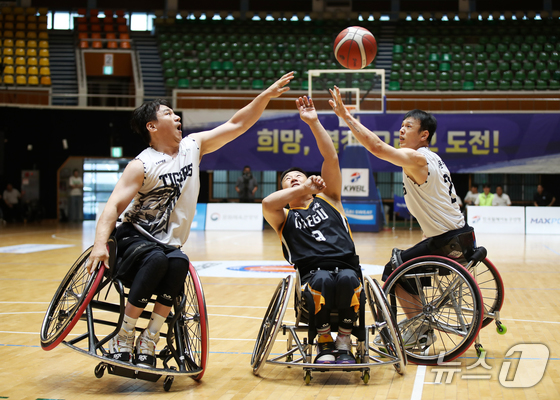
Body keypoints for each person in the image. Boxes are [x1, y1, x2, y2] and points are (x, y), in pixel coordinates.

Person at [85, 72, 293, 368]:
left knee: (178, 262)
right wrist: (99, 245)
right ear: (152, 126)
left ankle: (149, 337)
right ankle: (125, 335)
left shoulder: (192, 146)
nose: (177, 117)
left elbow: (237, 124)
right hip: (134, 238)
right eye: (168, 113)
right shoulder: (141, 165)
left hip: (168, 246)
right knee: (157, 259)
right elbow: (113, 207)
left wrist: (266, 96)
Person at [329, 87, 474, 348]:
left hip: (447, 241)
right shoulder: (434, 159)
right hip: (459, 236)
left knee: (394, 269)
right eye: (402, 125)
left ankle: (418, 329)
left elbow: (376, 147)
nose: (402, 130)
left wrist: (346, 117)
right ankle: (419, 319)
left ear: (424, 134)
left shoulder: (417, 158)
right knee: (404, 261)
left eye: (409, 126)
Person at [262, 96, 361, 365]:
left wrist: (313, 122)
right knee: (322, 281)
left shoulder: (330, 198)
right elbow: (267, 203)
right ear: (284, 190)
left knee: (348, 279)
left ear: (310, 180)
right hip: (312, 272)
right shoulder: (284, 216)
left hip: (346, 265)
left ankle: (344, 339)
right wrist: (304, 187)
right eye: (287, 180)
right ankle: (324, 339)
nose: (293, 178)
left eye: (299, 176)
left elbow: (331, 157)